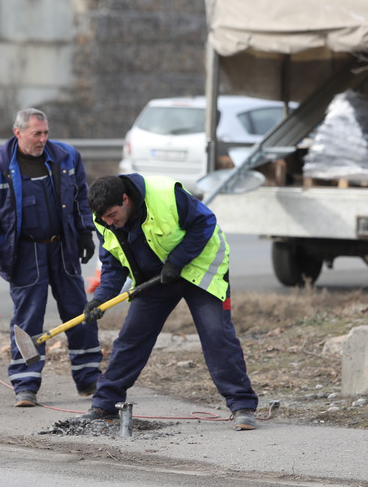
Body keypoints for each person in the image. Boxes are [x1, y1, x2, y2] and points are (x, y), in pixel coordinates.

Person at [79, 173, 260, 430]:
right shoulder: (104, 221)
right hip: (157, 277)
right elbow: (113, 265)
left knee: (216, 335)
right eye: (105, 218)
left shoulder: (165, 196)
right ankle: (104, 404)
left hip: (200, 268)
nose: (111, 222)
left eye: (113, 215)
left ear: (126, 199)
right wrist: (100, 299)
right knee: (131, 337)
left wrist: (177, 261)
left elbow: (205, 223)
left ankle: (243, 405)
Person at [0, 108, 99, 408]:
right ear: (18, 133)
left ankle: (89, 378)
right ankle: (25, 385)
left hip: (63, 247)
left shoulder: (67, 157)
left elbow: (82, 195)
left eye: (46, 132)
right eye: (36, 134)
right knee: (28, 320)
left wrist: (84, 232)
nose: (43, 139)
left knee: (79, 313)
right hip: (25, 252)